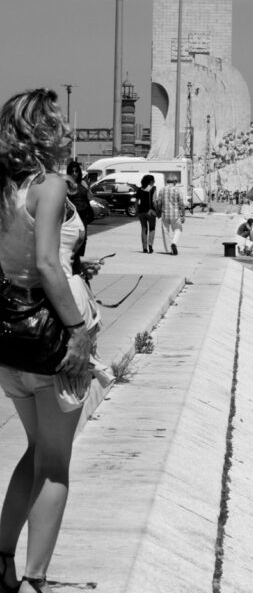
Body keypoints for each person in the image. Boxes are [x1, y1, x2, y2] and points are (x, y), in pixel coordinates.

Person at [0, 89, 101, 593]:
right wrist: (79, 332)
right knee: (56, 466)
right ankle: (36, 579)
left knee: (35, 448)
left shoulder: (6, 188)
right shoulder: (50, 185)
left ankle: (3, 561)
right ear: (43, 131)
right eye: (60, 123)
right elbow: (45, 264)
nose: (68, 131)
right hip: (51, 336)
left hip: (11, 339)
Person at [62, 162, 93, 275]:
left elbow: (89, 199)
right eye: (72, 172)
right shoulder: (65, 186)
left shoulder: (83, 184)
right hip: (71, 220)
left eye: (76, 171)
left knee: (81, 246)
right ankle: (75, 273)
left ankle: (77, 271)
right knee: (72, 249)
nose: (74, 174)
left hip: (83, 219)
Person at [154, 180, 186, 255]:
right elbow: (181, 204)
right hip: (175, 214)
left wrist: (158, 212)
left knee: (165, 231)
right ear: (174, 182)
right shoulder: (177, 190)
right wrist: (183, 215)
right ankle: (174, 243)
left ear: (166, 182)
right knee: (178, 229)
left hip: (164, 213)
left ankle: (168, 250)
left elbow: (158, 203)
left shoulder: (162, 190)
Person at [135, 175, 157, 254]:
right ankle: (150, 245)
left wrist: (136, 211)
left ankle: (144, 248)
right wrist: (157, 210)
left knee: (144, 229)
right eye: (153, 180)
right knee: (152, 228)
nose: (154, 182)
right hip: (150, 212)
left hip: (141, 212)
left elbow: (136, 201)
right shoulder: (153, 188)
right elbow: (154, 201)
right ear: (151, 181)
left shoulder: (139, 189)